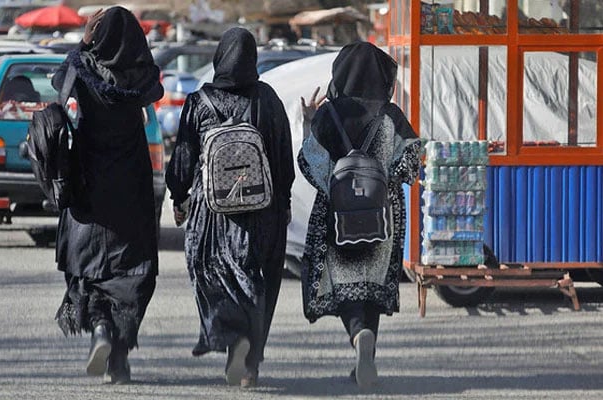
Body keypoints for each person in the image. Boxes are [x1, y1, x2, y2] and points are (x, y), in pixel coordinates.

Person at [166, 27, 294, 388]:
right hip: (261, 212)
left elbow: (184, 158)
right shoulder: (268, 99)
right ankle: (250, 361)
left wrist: (179, 198)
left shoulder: (199, 102)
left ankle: (232, 342)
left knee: (215, 277)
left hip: (213, 215)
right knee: (257, 283)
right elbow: (283, 157)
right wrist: (282, 202)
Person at [298, 42, 421, 389]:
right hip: (383, 217)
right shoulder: (391, 115)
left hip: (337, 217)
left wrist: (310, 123)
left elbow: (311, 164)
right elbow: (411, 165)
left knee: (345, 284)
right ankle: (366, 348)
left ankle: (357, 335)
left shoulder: (328, 114)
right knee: (372, 284)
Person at [52, 7, 164, 385]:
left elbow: (59, 81)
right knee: (132, 269)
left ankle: (100, 329)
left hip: (88, 180)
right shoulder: (142, 78)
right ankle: (118, 357)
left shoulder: (85, 70)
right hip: (130, 182)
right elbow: (154, 83)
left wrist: (83, 43)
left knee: (89, 266)